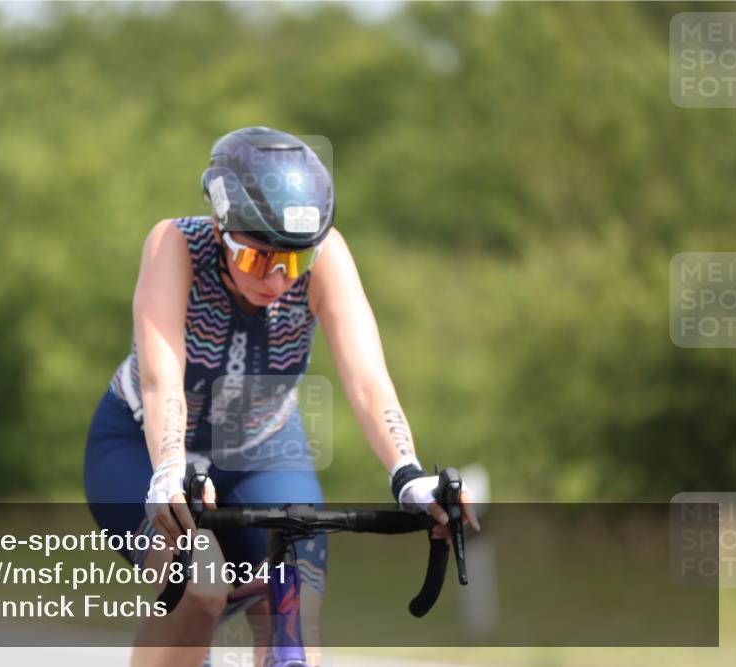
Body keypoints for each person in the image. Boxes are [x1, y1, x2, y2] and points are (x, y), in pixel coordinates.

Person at [84, 126, 478, 667]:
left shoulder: (328, 255)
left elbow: (367, 377)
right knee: (201, 592)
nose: (275, 279)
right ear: (220, 226)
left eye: (293, 262)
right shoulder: (175, 244)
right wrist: (170, 469)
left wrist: (407, 472)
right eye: (255, 259)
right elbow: (160, 377)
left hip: (263, 447)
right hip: (141, 445)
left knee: (293, 609)